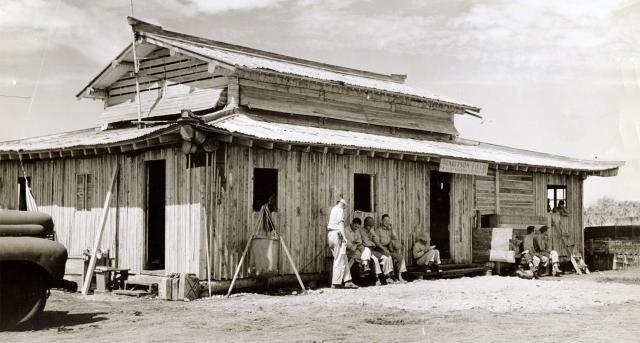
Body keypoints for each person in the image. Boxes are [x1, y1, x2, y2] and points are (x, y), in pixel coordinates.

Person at [327, 199, 358, 289]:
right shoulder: (340, 210)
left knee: (343, 258)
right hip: (337, 235)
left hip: (330, 235)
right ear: (343, 205)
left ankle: (348, 281)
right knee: (339, 258)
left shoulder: (333, 210)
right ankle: (336, 283)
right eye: (345, 206)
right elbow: (341, 224)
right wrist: (344, 237)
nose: (344, 208)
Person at [345, 218, 384, 286]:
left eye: (358, 226)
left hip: (357, 247)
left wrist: (358, 243)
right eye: (355, 226)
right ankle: (363, 267)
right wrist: (354, 245)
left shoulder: (357, 230)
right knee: (359, 254)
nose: (356, 228)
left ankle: (365, 266)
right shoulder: (346, 230)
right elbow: (347, 243)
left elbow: (359, 240)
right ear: (352, 223)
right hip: (348, 249)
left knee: (366, 250)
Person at [360, 216, 394, 284]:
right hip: (365, 251)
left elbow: (376, 241)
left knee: (385, 258)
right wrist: (373, 244)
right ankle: (376, 278)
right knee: (375, 260)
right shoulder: (362, 231)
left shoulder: (371, 232)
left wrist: (374, 235)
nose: (371, 228)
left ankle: (387, 277)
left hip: (372, 251)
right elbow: (367, 243)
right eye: (370, 226)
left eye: (372, 226)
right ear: (366, 225)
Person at [374, 214, 407, 283]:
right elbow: (377, 243)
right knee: (388, 255)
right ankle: (390, 276)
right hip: (380, 250)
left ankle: (399, 275)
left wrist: (392, 228)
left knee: (400, 257)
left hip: (388, 249)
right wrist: (384, 249)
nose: (386, 222)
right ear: (382, 221)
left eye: (388, 220)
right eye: (385, 220)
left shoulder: (389, 230)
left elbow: (395, 238)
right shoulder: (378, 230)